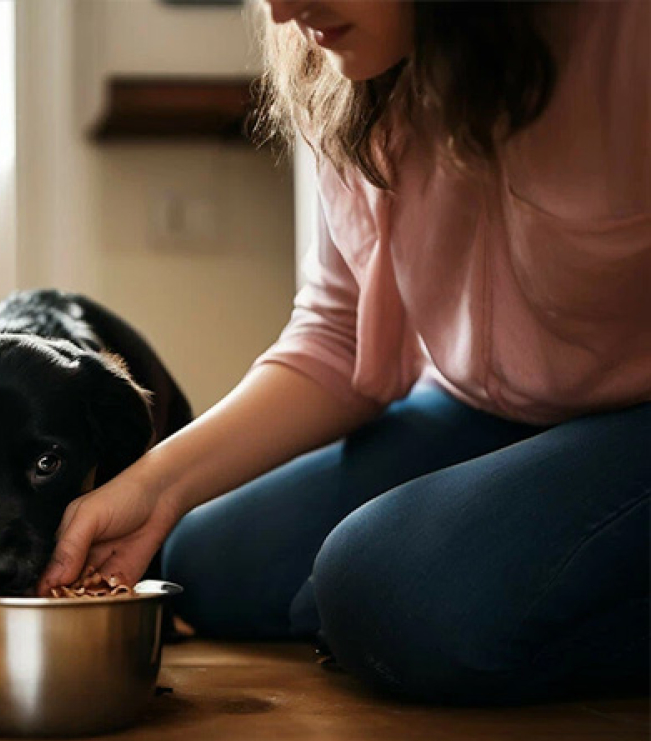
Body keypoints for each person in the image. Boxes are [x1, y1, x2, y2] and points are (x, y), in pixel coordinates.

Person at [39, 0, 650, 705]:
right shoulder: (347, 69)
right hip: (487, 408)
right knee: (203, 559)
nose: (283, 8)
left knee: (379, 586)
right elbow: (340, 333)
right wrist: (154, 487)